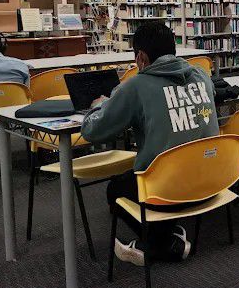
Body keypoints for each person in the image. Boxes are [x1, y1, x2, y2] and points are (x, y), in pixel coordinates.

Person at [81, 22, 219, 265]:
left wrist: (100, 105)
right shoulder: (201, 75)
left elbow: (93, 131)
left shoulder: (135, 86)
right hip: (211, 180)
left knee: (115, 190)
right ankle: (168, 235)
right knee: (146, 173)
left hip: (168, 189)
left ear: (141, 57)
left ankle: (159, 243)